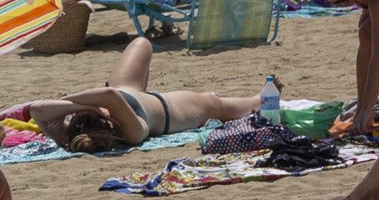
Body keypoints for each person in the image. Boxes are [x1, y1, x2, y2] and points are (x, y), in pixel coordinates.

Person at [23, 35, 265, 151]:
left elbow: (35, 110)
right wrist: (81, 104)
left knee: (142, 43)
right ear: (106, 121)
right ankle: (267, 94)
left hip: (128, 89)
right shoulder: (133, 132)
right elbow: (109, 95)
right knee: (219, 105)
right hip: (170, 109)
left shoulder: (67, 134)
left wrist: (76, 107)